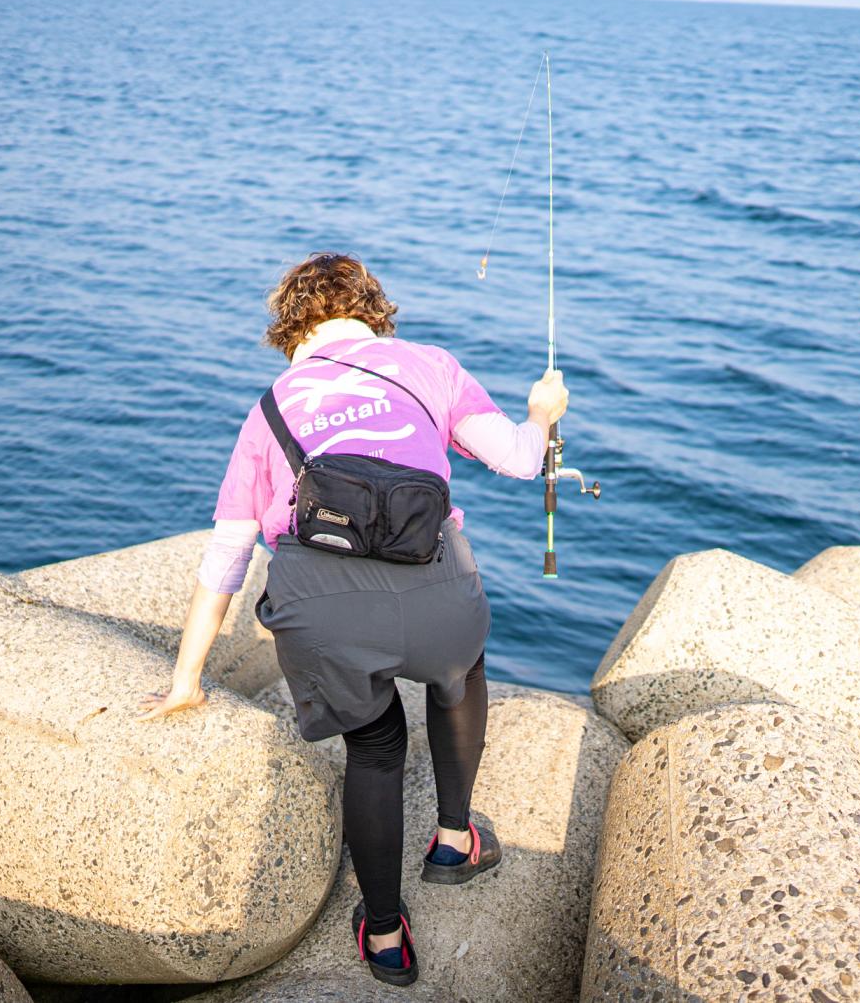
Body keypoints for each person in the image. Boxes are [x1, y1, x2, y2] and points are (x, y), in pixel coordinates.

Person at [138, 251, 568, 988]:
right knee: (459, 667)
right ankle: (454, 841)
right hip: (435, 589)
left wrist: (187, 680)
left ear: (292, 327)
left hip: (320, 612)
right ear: (373, 311)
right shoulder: (428, 365)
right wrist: (541, 414)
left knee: (375, 746)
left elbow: (227, 557)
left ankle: (384, 932)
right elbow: (524, 461)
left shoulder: (270, 408)